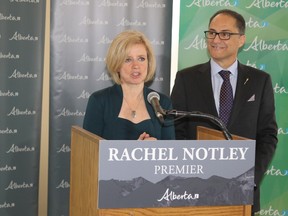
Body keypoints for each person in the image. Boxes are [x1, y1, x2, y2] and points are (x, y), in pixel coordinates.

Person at [171, 9, 278, 214]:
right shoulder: (187, 79)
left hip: (242, 195)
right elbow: (177, 131)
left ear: (241, 40)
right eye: (211, 32)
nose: (216, 39)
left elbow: (267, 135)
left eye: (225, 34)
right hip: (195, 193)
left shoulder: (260, 81)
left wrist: (250, 179)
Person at [83, 30, 175, 140]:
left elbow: (171, 152)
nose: (136, 65)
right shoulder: (100, 101)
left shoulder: (162, 102)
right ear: (117, 65)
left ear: (148, 63)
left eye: (141, 59)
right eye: (128, 60)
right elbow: (89, 151)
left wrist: (156, 149)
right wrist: (135, 152)